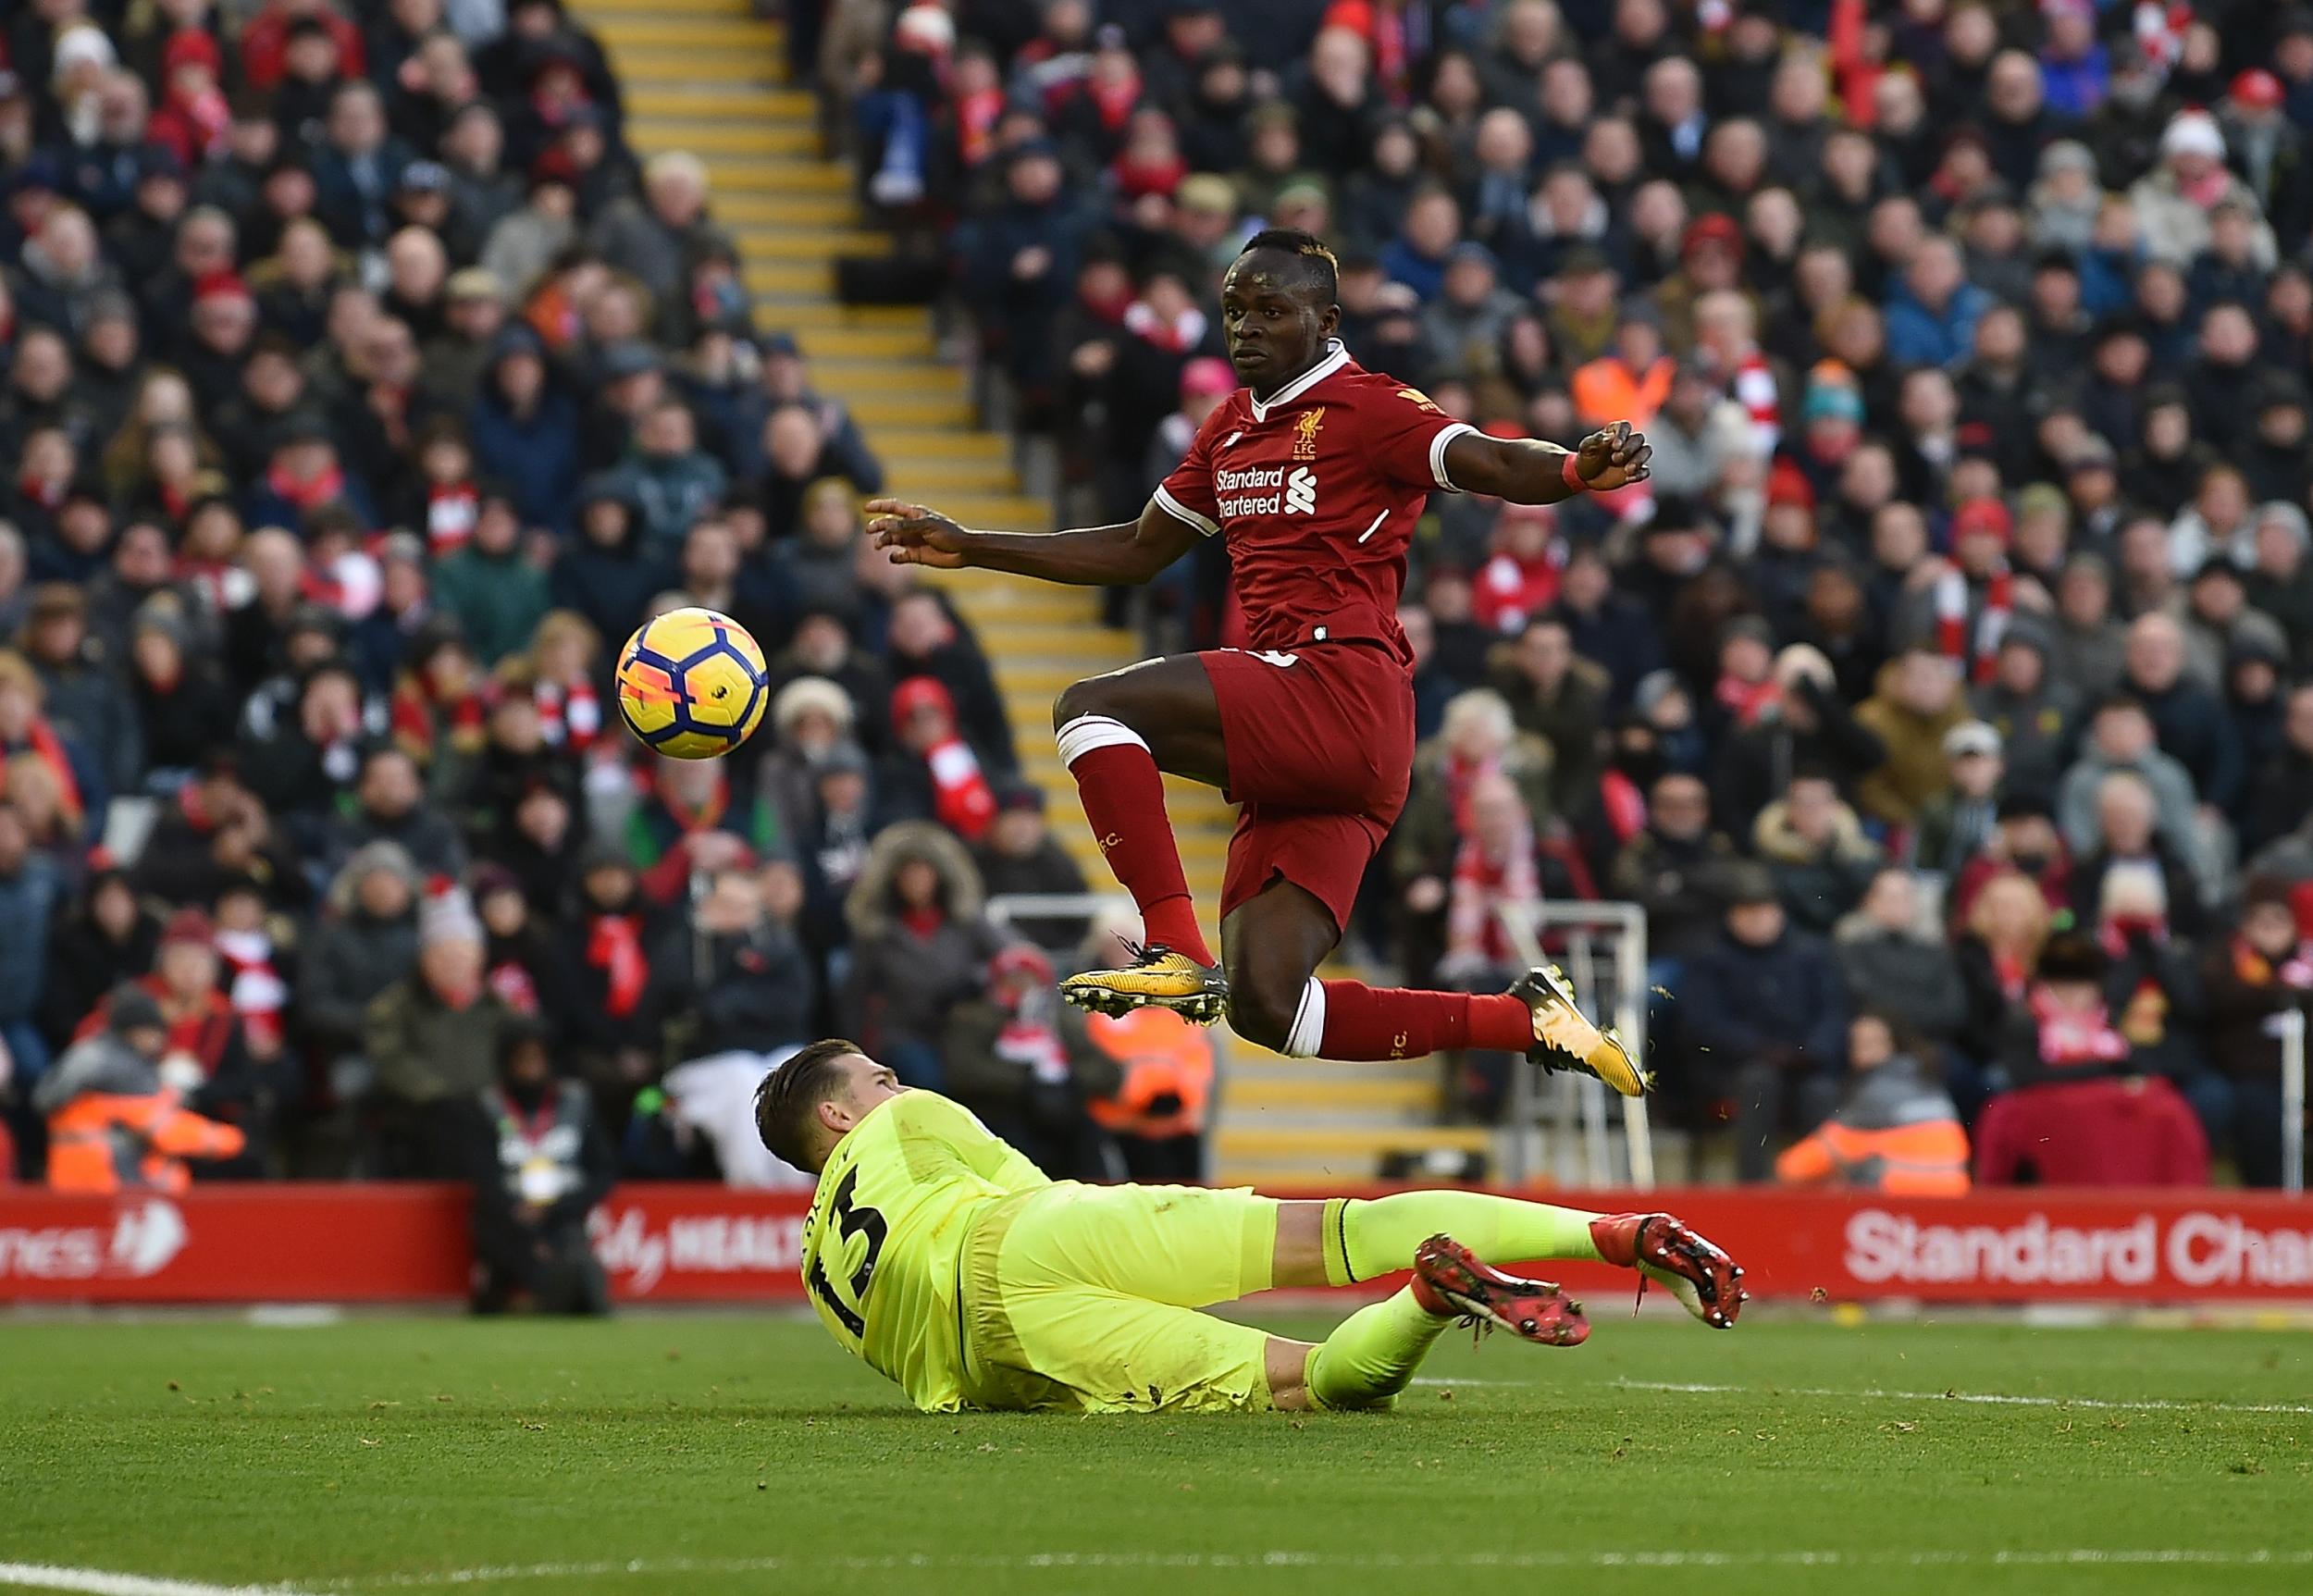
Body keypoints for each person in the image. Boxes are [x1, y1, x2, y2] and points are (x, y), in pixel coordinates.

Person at [867, 229, 1653, 1095]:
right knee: (1268, 1006)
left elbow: (1498, 461)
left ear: (1327, 321)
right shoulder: (1230, 427)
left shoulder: (1372, 406)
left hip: (1338, 687)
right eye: (1236, 310)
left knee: (1093, 709)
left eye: (1272, 310)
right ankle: (1527, 1019)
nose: (1247, 328)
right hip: (1313, 741)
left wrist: (1578, 469)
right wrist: (974, 546)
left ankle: (1171, 942)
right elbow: (1136, 549)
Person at [756, 1038, 1744, 1415]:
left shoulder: (815, 1271)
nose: (893, 1083)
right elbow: (1029, 1187)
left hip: (1003, 1363)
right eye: (874, 1077)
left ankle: (1428, 1303)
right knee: (1340, 1232)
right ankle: (1611, 1236)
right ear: (841, 1114)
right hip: (1023, 1235)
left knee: (1307, 1387)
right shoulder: (907, 1121)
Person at [458, 1019, 615, 1315]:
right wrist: (518, 1212)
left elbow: (604, 1171)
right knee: (510, 1243)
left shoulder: (577, 1101)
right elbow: (482, 1176)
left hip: (564, 1216)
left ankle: (547, 1300)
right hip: (507, 1221)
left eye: (537, 1057)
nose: (531, 1066)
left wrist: (556, 1209)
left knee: (573, 1255)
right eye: (522, 1058)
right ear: (507, 1062)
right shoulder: (486, 1107)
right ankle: (521, 1298)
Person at [36, 984, 245, 1192]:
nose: (160, 1041)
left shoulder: (87, 1053)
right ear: (138, 1031)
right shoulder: (123, 1067)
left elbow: (45, 1098)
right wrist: (234, 1140)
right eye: (156, 1032)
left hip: (69, 1180)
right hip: (108, 1182)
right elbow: (166, 1129)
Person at [1774, 1011, 1970, 1194]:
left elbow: (1794, 1168)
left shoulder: (1872, 1098)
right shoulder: (1930, 1084)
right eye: (1856, 1041)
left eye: (1871, 1042)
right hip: (1954, 1195)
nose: (1860, 1048)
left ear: (1893, 1043)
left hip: (1898, 1201)